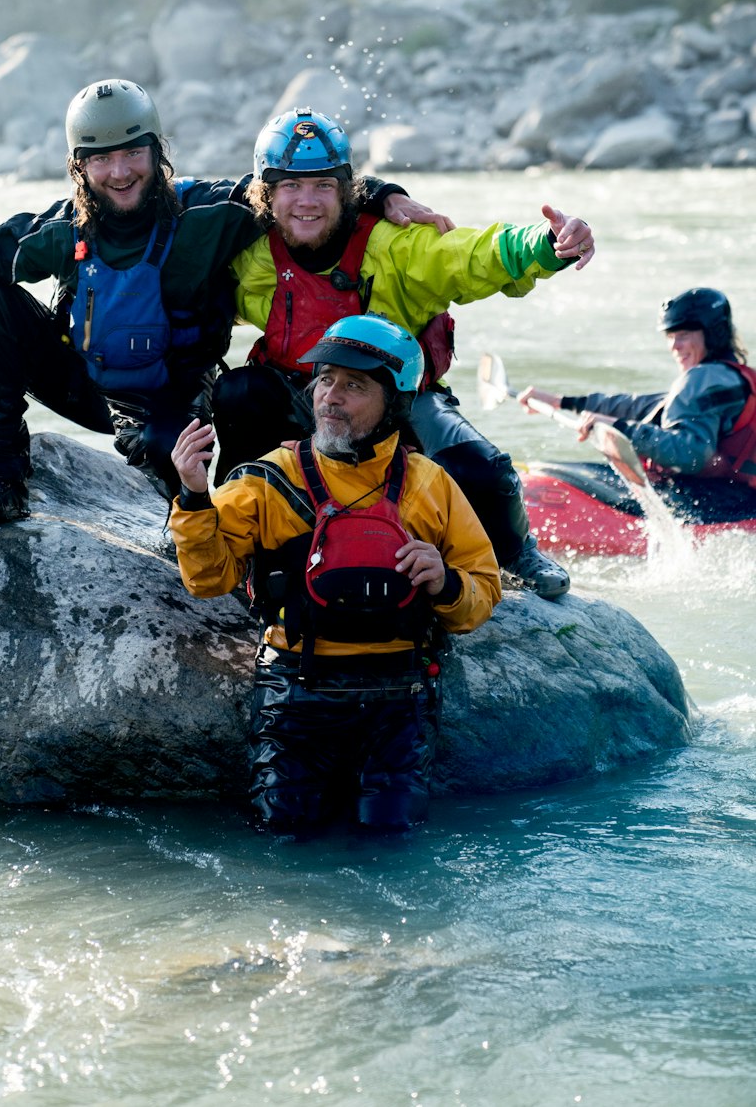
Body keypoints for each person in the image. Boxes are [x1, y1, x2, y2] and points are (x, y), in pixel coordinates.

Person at [0, 80, 440, 527]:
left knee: (181, 491)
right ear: (79, 165)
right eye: (100, 157)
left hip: (176, 394)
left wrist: (385, 194)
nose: (119, 171)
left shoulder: (210, 211)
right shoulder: (60, 229)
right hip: (89, 383)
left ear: (157, 150)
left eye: (132, 152)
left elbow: (301, 190)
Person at [210, 108, 597, 600]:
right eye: (290, 186)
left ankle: (514, 550)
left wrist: (545, 245)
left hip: (397, 398)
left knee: (480, 469)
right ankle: (234, 533)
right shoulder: (248, 251)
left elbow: (469, 254)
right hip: (301, 400)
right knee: (239, 392)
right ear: (267, 194)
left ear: (346, 190)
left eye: (323, 186)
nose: (306, 202)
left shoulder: (395, 244)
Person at [170, 313, 501, 834]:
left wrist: (446, 581)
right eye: (325, 379)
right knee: (284, 833)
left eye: (355, 384)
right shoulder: (269, 477)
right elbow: (208, 580)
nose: (331, 396)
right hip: (296, 691)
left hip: (401, 696)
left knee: (393, 838)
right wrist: (193, 494)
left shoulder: (430, 483)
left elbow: (482, 591)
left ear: (394, 401)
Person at [519, 287, 756, 509]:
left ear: (713, 334)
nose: (674, 345)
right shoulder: (732, 376)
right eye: (670, 336)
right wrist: (564, 402)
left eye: (683, 334)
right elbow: (643, 406)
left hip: (721, 503)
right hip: (740, 493)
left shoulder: (700, 378)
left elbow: (690, 455)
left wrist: (619, 429)